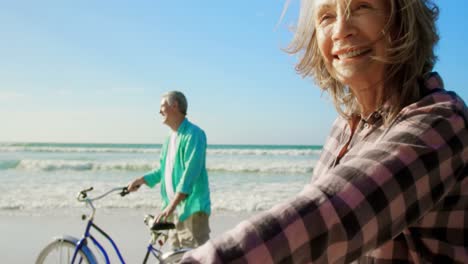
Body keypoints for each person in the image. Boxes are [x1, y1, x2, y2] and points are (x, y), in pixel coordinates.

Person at [181, 0, 467, 263]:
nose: (341, 30)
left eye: (361, 6)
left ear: (402, 20)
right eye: (326, 16)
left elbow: (332, 217)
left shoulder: (442, 121)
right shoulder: (344, 126)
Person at [127, 91, 211, 249]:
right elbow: (163, 170)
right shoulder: (169, 138)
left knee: (197, 259)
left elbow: (190, 174)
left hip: (191, 210)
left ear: (175, 106)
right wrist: (142, 180)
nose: (159, 112)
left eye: (162, 107)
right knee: (175, 259)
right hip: (173, 212)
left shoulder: (194, 134)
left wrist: (171, 206)